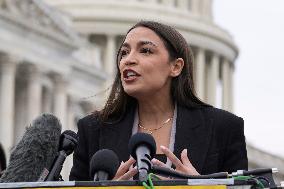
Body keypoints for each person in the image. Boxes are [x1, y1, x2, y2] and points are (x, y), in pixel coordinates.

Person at [69, 20, 248, 181]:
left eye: (145, 50)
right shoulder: (92, 130)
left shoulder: (223, 128)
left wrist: (202, 187)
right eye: (124, 52)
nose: (128, 60)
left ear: (176, 67)